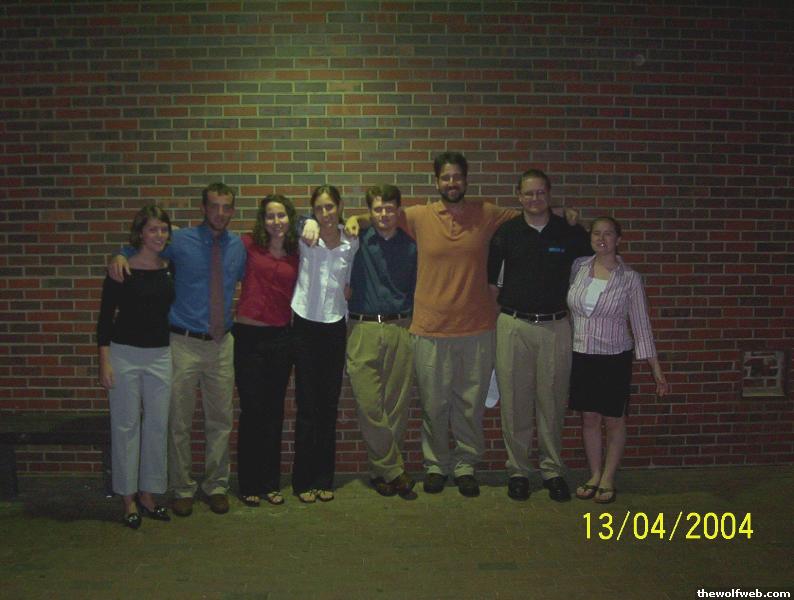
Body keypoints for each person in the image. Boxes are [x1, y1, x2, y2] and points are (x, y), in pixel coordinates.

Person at [345, 153, 518, 497]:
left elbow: (530, 216)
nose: (452, 183)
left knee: (469, 405)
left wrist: (565, 214)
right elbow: (380, 217)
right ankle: (436, 464)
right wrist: (354, 219)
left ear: (465, 180)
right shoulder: (419, 216)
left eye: (457, 177)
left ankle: (466, 465)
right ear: (436, 181)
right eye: (445, 177)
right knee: (433, 405)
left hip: (476, 327)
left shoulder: (486, 213)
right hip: (428, 327)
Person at [109, 183, 246, 517]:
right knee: (179, 421)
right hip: (183, 342)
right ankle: (182, 487)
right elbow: (146, 249)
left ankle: (216, 485)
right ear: (203, 208)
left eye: (226, 207)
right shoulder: (181, 241)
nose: (220, 213)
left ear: (232, 210)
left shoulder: (238, 246)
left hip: (221, 344)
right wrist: (121, 254)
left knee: (220, 420)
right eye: (214, 206)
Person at [487, 169, 591, 502]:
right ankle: (518, 471)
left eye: (540, 193)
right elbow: (492, 286)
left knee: (553, 402)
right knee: (514, 403)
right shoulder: (507, 233)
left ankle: (552, 470)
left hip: (555, 327)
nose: (535, 199)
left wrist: (575, 218)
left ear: (549, 194)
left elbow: (591, 268)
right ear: (518, 196)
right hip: (513, 326)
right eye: (528, 193)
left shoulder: (569, 233)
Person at [567, 216, 669, 504]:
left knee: (614, 419)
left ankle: (608, 478)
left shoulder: (629, 278)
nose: (602, 239)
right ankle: (594, 474)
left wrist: (656, 370)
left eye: (608, 234)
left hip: (614, 357)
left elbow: (641, 325)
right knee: (589, 418)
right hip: (582, 355)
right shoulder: (579, 267)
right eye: (596, 233)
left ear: (618, 239)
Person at [97, 205, 175, 528]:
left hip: (160, 355)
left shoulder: (171, 267)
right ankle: (127, 498)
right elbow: (105, 318)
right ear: (140, 233)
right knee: (126, 426)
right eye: (152, 229)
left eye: (163, 229)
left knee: (157, 425)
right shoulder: (121, 269)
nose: (159, 235)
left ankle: (148, 494)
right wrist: (104, 362)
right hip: (124, 354)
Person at [345, 184, 417, 499]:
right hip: (362, 328)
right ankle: (394, 470)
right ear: (369, 212)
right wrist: (354, 219)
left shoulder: (411, 247)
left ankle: (381, 472)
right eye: (377, 209)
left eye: (389, 208)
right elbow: (320, 224)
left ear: (398, 211)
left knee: (396, 406)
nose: (384, 214)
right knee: (369, 406)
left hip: (400, 327)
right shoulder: (356, 240)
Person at [291, 185, 359, 503]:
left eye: (330, 207)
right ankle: (302, 481)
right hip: (305, 325)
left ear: (340, 206)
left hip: (334, 327)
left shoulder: (351, 241)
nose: (325, 213)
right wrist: (306, 220)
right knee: (306, 406)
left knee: (328, 407)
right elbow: (287, 221)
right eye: (319, 208)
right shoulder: (306, 236)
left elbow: (366, 222)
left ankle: (323, 479)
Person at [233, 195, 299, 507]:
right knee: (252, 411)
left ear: (290, 218)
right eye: (270, 216)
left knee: (274, 412)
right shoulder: (247, 245)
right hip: (248, 338)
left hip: (280, 338)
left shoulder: (297, 253)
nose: (276, 222)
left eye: (281, 215)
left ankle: (270, 482)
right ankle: (249, 483)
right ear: (263, 220)